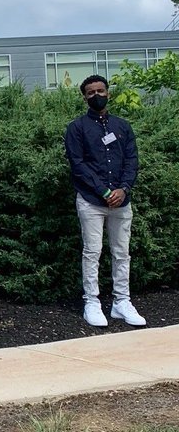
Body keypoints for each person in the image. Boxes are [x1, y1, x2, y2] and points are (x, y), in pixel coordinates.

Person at [64, 75, 145, 328]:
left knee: (122, 253)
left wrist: (123, 189)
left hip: (122, 201)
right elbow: (78, 165)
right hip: (91, 201)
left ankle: (122, 302)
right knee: (92, 252)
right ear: (84, 97)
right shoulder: (76, 128)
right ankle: (92, 301)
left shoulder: (122, 126)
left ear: (108, 93)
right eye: (91, 92)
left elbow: (132, 160)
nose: (96, 95)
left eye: (100, 90)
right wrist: (104, 191)